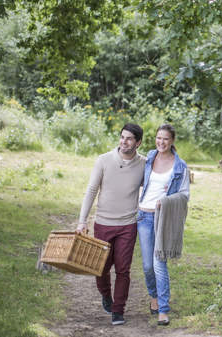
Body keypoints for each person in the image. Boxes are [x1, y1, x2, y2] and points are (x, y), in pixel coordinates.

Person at [76, 123, 145, 326]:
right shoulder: (104, 160)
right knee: (101, 268)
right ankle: (106, 295)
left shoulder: (144, 164)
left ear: (138, 142)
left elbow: (156, 183)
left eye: (130, 138)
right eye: (122, 137)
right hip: (103, 223)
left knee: (123, 269)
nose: (124, 141)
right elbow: (91, 191)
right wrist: (82, 221)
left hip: (127, 225)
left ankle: (118, 310)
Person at [138, 124, 190, 326]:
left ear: (172, 141)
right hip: (143, 217)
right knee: (147, 265)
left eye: (166, 139)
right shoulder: (149, 157)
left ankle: (163, 309)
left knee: (159, 264)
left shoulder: (180, 166)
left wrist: (165, 201)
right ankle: (154, 297)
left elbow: (184, 195)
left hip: (162, 218)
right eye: (159, 138)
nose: (161, 142)